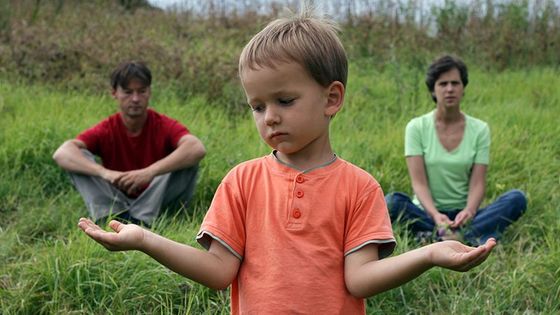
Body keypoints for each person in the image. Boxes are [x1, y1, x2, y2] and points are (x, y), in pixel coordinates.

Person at [78, 10, 496, 315]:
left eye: (284, 100)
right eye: (256, 106)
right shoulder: (242, 181)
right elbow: (219, 271)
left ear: (331, 98)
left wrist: (429, 255)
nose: (269, 117)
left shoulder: (359, 187)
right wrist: (144, 240)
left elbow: (360, 280)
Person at [385, 55, 527, 245]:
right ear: (433, 90)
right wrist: (436, 215)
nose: (449, 89)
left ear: (463, 88)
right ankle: (463, 236)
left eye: (455, 83)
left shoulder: (479, 129)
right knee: (392, 202)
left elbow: (478, 183)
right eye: (443, 84)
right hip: (428, 212)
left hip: (464, 215)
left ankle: (444, 237)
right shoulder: (416, 127)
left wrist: (469, 211)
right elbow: (418, 184)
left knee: (517, 198)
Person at [54, 61, 206, 227]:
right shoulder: (107, 128)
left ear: (149, 92)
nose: (135, 99)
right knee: (78, 156)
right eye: (128, 92)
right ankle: (114, 216)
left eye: (141, 92)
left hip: (156, 202)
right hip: (116, 199)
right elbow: (62, 153)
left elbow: (196, 148)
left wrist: (149, 172)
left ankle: (143, 220)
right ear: (114, 93)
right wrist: (105, 173)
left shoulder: (162, 124)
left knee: (186, 157)